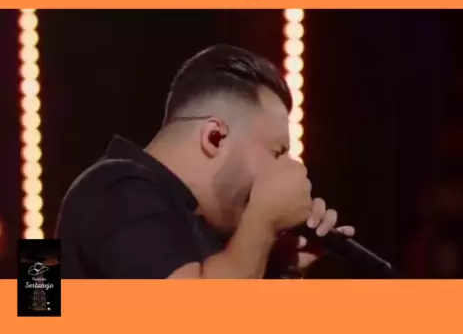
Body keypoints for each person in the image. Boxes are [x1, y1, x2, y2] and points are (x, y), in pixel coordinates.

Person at [56, 44, 355, 278]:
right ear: (215, 137)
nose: (283, 171)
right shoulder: (116, 188)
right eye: (276, 153)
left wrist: (279, 266)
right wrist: (263, 221)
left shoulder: (195, 232)